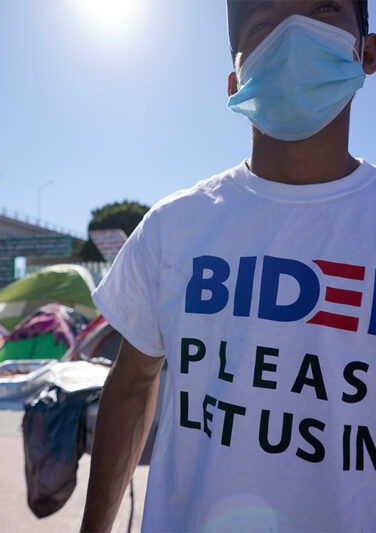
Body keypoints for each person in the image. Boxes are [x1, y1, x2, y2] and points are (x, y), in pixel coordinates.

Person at [81, 1, 376, 531]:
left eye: (324, 10)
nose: (292, 35)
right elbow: (132, 385)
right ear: (234, 80)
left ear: (368, 51)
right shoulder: (174, 226)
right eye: (263, 23)